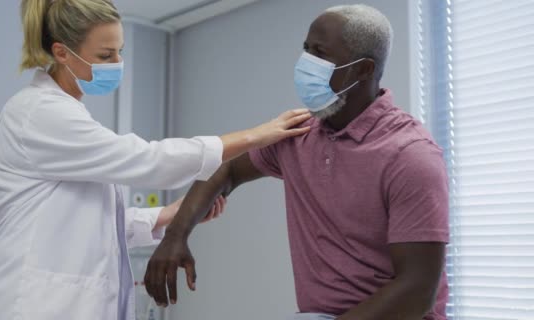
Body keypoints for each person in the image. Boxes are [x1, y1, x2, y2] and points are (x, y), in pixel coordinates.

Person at [0, 1, 312, 319]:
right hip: (28, 304)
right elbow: (148, 160)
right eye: (104, 55)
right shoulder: (39, 113)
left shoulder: (66, 116)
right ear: (62, 53)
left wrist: (166, 215)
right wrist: (257, 134)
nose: (117, 64)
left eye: (120, 52)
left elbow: (90, 223)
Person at [144, 4, 449, 320]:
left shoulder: (410, 155)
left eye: (321, 53)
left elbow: (417, 290)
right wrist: (174, 237)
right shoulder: (299, 133)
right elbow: (228, 167)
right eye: (306, 50)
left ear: (363, 69)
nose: (307, 63)